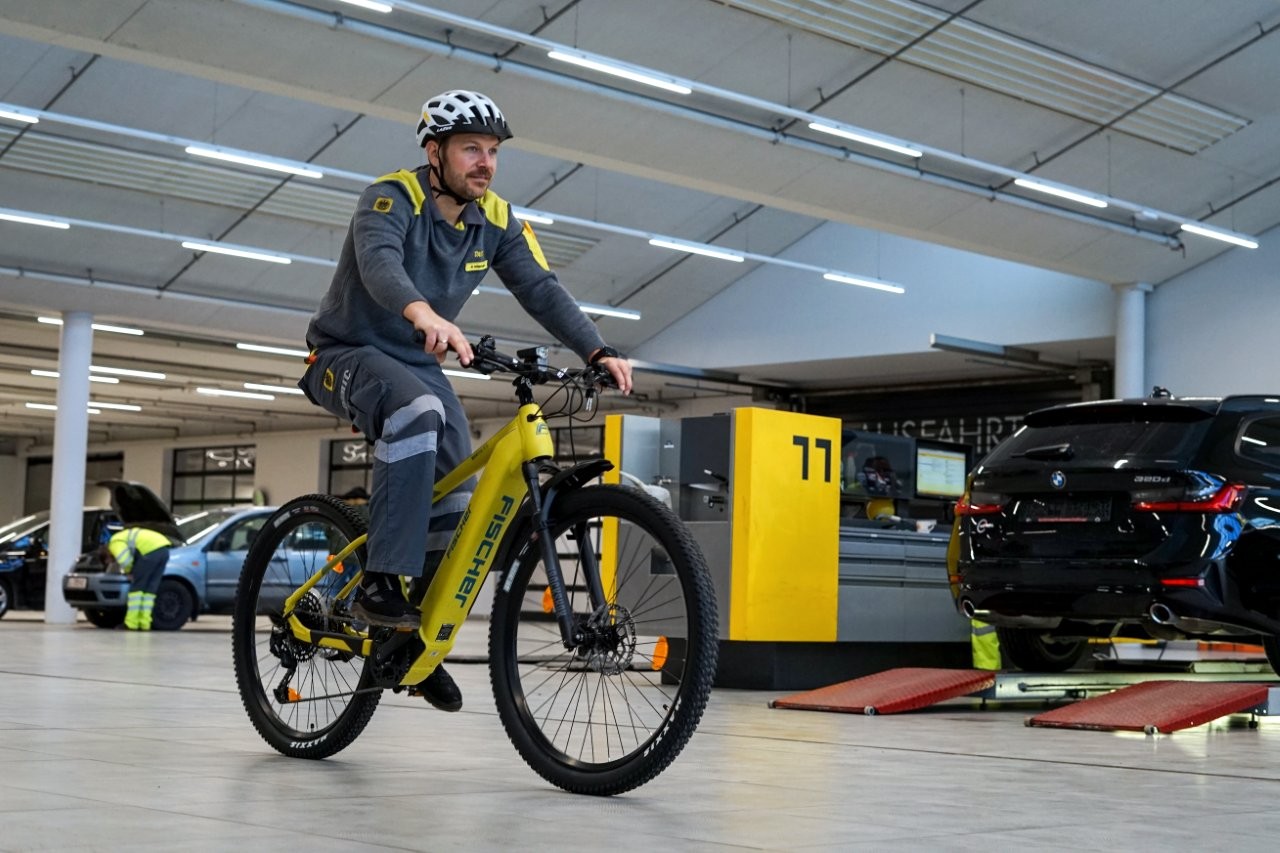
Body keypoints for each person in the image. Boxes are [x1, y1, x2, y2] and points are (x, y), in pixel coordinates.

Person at [299, 89, 632, 712]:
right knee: (417, 414)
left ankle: (412, 641)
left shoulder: (497, 219)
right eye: (471, 149)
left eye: (493, 151)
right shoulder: (390, 197)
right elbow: (379, 265)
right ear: (435, 152)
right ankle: (377, 582)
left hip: (414, 364)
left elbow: (541, 287)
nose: (486, 163)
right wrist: (423, 313)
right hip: (344, 353)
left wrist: (596, 349)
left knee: (458, 487)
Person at [107, 526, 173, 631]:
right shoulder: (124, 536)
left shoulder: (114, 542)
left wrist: (129, 571)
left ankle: (131, 624)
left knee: (136, 590)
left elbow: (124, 560)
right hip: (164, 550)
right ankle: (144, 623)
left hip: (149, 551)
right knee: (149, 591)